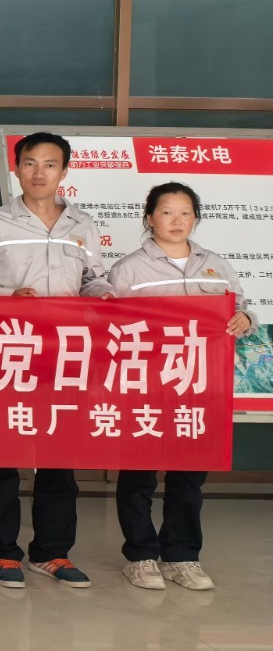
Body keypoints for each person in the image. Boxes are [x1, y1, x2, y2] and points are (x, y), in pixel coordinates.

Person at [0, 130, 114, 589]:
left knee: (59, 457)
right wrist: (7, 295)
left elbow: (94, 278)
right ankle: (3, 553)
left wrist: (104, 295)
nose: (39, 172)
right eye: (29, 163)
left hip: (65, 355)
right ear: (17, 168)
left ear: (64, 171)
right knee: (3, 456)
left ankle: (52, 553)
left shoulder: (82, 225)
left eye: (49, 164)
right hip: (10, 352)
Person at [108, 181, 255, 592]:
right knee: (139, 476)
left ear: (196, 218)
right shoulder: (129, 269)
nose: (177, 220)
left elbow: (240, 308)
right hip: (147, 386)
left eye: (185, 212)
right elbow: (109, 325)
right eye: (167, 212)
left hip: (200, 386)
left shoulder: (216, 264)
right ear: (149, 217)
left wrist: (245, 319)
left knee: (188, 477)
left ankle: (181, 556)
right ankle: (140, 556)